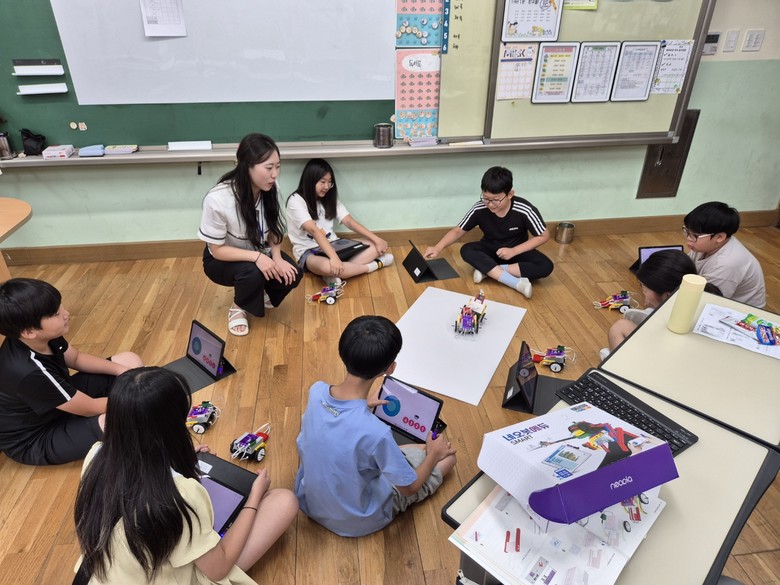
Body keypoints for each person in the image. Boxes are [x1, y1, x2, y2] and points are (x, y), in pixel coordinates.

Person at [73, 367, 298, 584]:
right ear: (172, 425)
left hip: (99, 577)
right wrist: (254, 499)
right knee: (284, 500)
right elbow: (218, 569)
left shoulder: (96, 454)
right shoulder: (181, 495)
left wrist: (175, 461)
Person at [294, 315, 457, 537]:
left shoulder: (316, 391)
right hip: (357, 519)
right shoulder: (376, 432)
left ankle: (418, 453)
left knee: (406, 450)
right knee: (447, 458)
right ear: (390, 368)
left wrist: (361, 406)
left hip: (309, 501)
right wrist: (434, 455)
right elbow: (409, 489)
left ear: (342, 351)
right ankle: (429, 454)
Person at [0, 278, 143, 466]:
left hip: (61, 404)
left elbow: (76, 359)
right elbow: (90, 407)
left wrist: (123, 371)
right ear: (29, 331)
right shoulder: (29, 371)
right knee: (115, 420)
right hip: (37, 437)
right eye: (56, 313)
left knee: (129, 360)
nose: (66, 314)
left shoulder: (42, 338)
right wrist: (139, 399)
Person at [199, 133, 302, 337]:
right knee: (252, 272)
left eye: (278, 166)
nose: (275, 174)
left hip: (258, 250)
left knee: (293, 274)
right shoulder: (218, 199)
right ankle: (238, 307)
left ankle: (256, 292)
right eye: (269, 168)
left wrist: (277, 257)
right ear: (247, 166)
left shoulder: (270, 187)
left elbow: (273, 228)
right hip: (221, 259)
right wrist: (258, 258)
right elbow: (217, 250)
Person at [424, 166, 553, 299]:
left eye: (496, 200)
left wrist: (513, 251)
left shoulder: (524, 209)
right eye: (486, 198)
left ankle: (488, 271)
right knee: (467, 249)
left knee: (546, 266)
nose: (490, 204)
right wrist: (438, 247)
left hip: (516, 252)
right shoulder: (479, 208)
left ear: (510, 194)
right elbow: (458, 231)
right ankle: (516, 283)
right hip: (490, 251)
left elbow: (543, 236)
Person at [285, 158, 394, 286]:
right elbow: (314, 231)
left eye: (330, 182)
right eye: (322, 182)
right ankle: (375, 265)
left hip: (335, 245)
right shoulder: (295, 201)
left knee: (375, 246)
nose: (327, 187)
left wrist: (377, 239)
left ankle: (335, 273)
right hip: (309, 252)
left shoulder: (328, 198)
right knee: (328, 266)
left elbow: (349, 222)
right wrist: (333, 257)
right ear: (310, 180)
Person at [599, 250, 720, 359]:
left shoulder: (678, 320)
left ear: (667, 295)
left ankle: (615, 363)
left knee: (619, 327)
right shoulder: (707, 296)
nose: (643, 292)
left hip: (672, 359)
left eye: (644, 288)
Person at [683, 201, 766, 308]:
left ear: (720, 237)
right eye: (686, 231)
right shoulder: (705, 246)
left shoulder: (726, 264)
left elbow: (708, 299)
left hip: (741, 311)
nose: (688, 238)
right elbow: (688, 268)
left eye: (694, 235)